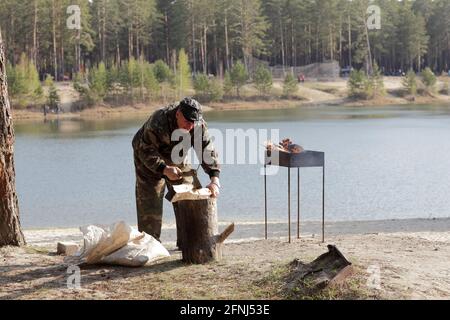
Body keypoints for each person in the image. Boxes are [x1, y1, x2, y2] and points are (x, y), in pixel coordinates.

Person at [132, 98, 221, 242]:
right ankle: (150, 244)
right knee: (150, 203)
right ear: (178, 114)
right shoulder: (158, 120)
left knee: (190, 195)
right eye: (187, 122)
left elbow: (206, 150)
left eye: (193, 122)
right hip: (148, 159)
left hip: (176, 157)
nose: (190, 126)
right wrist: (164, 169)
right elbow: (145, 150)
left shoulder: (196, 124)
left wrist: (214, 178)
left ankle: (188, 243)